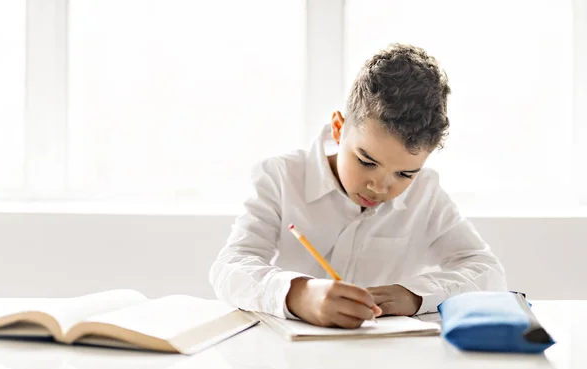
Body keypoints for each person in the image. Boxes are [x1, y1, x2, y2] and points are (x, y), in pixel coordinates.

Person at [209, 43, 507, 329]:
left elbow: (488, 271)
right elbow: (229, 267)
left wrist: (414, 295)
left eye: (404, 174)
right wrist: (297, 294)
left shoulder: (426, 193)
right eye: (366, 161)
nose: (379, 187)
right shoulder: (280, 177)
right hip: (291, 363)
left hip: (385, 361)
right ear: (339, 128)